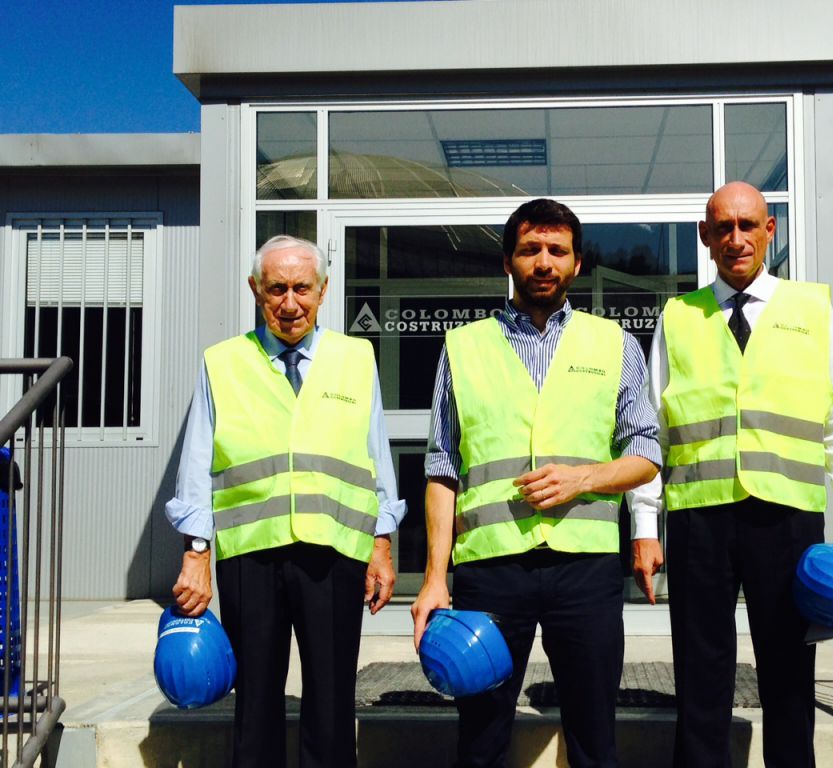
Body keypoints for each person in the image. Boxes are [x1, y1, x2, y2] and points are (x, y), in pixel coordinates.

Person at [629, 181, 833, 768]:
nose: (736, 238)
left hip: (787, 518)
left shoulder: (811, 310)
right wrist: (645, 525)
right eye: (723, 227)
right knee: (700, 674)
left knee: (790, 674)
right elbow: (651, 432)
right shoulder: (678, 317)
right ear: (705, 236)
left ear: (770, 230)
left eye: (748, 225)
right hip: (700, 520)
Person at [411, 198, 661, 768]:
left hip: (585, 569)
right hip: (491, 569)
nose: (544, 262)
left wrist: (584, 478)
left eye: (557, 251)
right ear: (508, 261)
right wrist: (433, 579)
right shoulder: (462, 347)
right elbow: (441, 468)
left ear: (577, 263)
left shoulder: (615, 344)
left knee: (595, 737)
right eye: (530, 250)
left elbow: (646, 452)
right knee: (481, 738)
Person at [165, 234, 406, 768]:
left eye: (302, 288)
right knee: (254, 700)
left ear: (323, 290)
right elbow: (196, 463)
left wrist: (382, 542)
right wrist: (196, 552)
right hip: (251, 553)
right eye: (277, 289)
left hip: (335, 553)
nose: (290, 303)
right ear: (256, 290)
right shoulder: (222, 362)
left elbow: (376, 454)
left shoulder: (356, 358)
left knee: (332, 697)